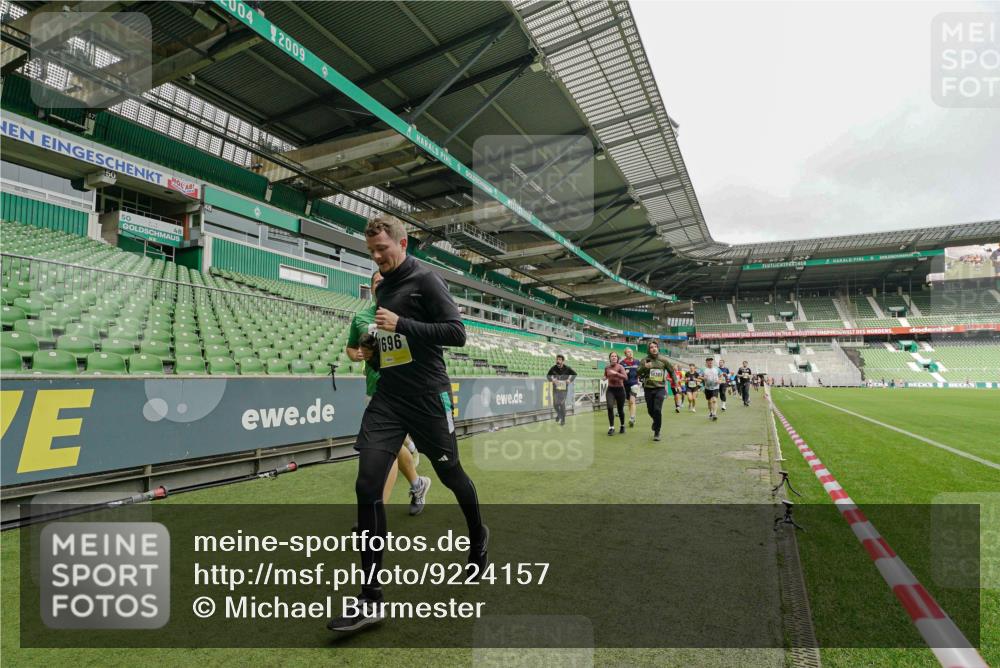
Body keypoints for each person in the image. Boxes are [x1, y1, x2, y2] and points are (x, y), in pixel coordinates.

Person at [327, 214, 487, 633]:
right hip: (389, 397)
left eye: (382, 249)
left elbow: (456, 333)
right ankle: (370, 598)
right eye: (371, 251)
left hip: (428, 397)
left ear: (403, 243)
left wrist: (402, 325)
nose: (377, 257)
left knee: (451, 474)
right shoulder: (382, 286)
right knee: (367, 485)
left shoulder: (427, 280)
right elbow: (391, 343)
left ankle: (478, 539)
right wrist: (370, 350)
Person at [346, 270, 431, 516]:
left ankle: (375, 514)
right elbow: (351, 348)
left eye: (384, 281)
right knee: (391, 448)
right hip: (375, 390)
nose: (380, 284)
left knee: (385, 451)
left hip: (404, 391)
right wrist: (357, 354)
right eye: (376, 281)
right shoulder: (361, 318)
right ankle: (418, 483)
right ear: (371, 288)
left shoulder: (404, 314)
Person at [637, 341, 674, 442]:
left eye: (655, 347)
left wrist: (676, 383)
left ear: (658, 348)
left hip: (660, 388)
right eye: (651, 347)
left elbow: (672, 372)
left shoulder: (664, 360)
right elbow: (638, 372)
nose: (653, 348)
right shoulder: (645, 360)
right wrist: (645, 367)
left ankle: (657, 432)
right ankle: (656, 421)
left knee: (657, 409)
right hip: (648, 388)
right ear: (649, 349)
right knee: (650, 410)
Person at [546, 355, 577, 426]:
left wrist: (569, 380)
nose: (558, 361)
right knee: (555, 404)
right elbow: (548, 376)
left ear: (563, 361)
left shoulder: (567, 368)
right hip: (555, 389)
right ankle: (559, 414)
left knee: (562, 403)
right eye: (557, 359)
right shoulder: (553, 368)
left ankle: (563, 420)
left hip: (563, 389)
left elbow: (574, 374)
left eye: (559, 359)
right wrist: (552, 379)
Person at [604, 352, 628, 435]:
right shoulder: (607, 367)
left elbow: (625, 377)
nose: (614, 357)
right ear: (610, 358)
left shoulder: (620, 367)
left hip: (620, 390)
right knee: (610, 407)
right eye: (612, 356)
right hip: (610, 390)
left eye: (615, 356)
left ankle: (622, 426)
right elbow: (606, 375)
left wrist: (616, 373)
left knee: (620, 409)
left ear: (617, 358)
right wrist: (604, 377)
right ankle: (611, 427)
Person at [620, 348, 641, 427]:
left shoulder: (637, 362)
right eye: (628, 352)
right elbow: (619, 375)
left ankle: (632, 418)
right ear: (625, 354)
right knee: (629, 402)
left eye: (631, 352)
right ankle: (631, 416)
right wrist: (624, 373)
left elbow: (640, 371)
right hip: (625, 385)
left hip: (634, 384)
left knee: (632, 401)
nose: (630, 353)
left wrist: (639, 379)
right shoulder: (622, 363)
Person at [700, 357, 722, 421]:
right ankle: (711, 412)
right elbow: (699, 376)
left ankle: (714, 414)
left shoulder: (716, 369)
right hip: (707, 387)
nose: (710, 363)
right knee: (709, 401)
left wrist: (720, 380)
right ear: (707, 362)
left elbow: (721, 375)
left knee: (714, 400)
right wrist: (703, 378)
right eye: (709, 362)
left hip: (715, 387)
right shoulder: (703, 369)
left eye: (711, 362)